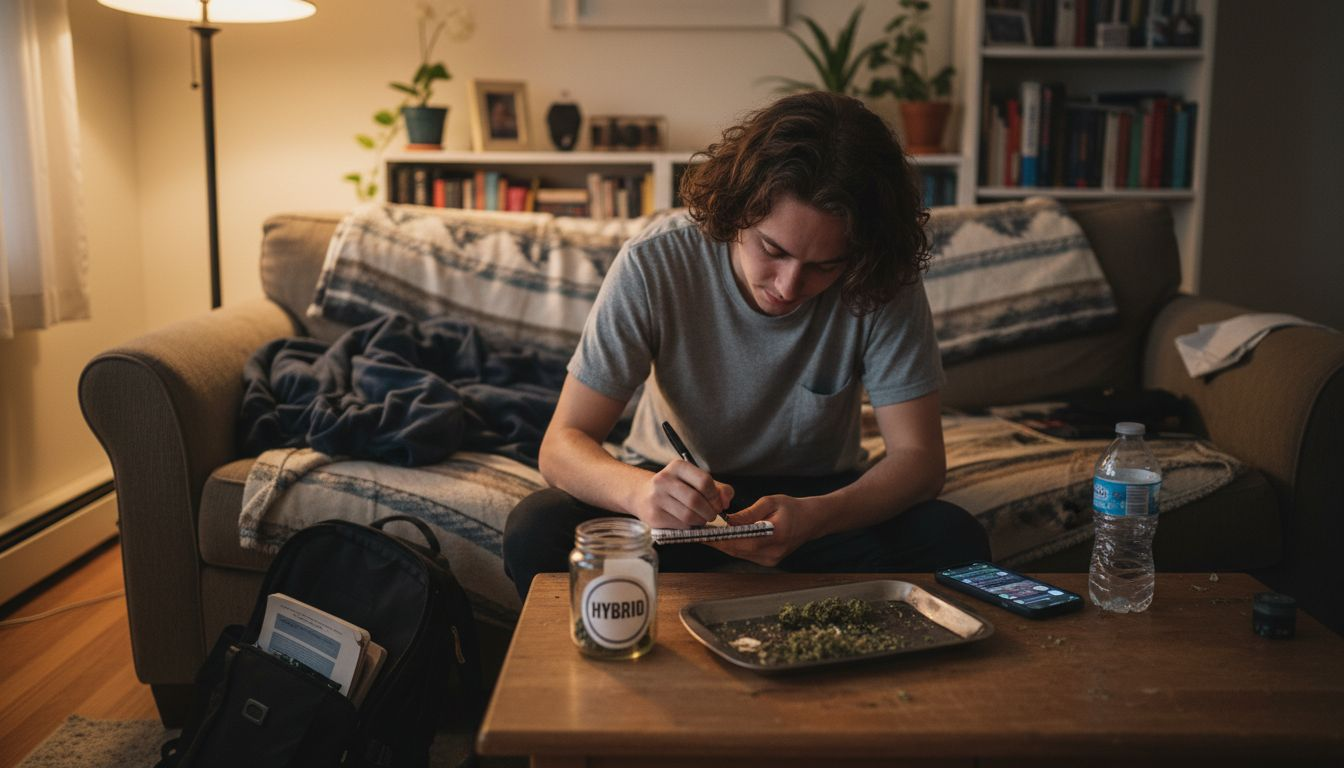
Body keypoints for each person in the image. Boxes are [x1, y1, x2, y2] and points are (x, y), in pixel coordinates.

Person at [502, 91, 990, 599]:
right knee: (537, 529)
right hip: (673, 497)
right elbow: (562, 445)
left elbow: (920, 460)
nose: (788, 286)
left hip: (819, 502)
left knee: (952, 537)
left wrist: (819, 517)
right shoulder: (655, 262)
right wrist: (640, 493)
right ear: (737, 209)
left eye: (825, 266)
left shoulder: (879, 276)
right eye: (772, 250)